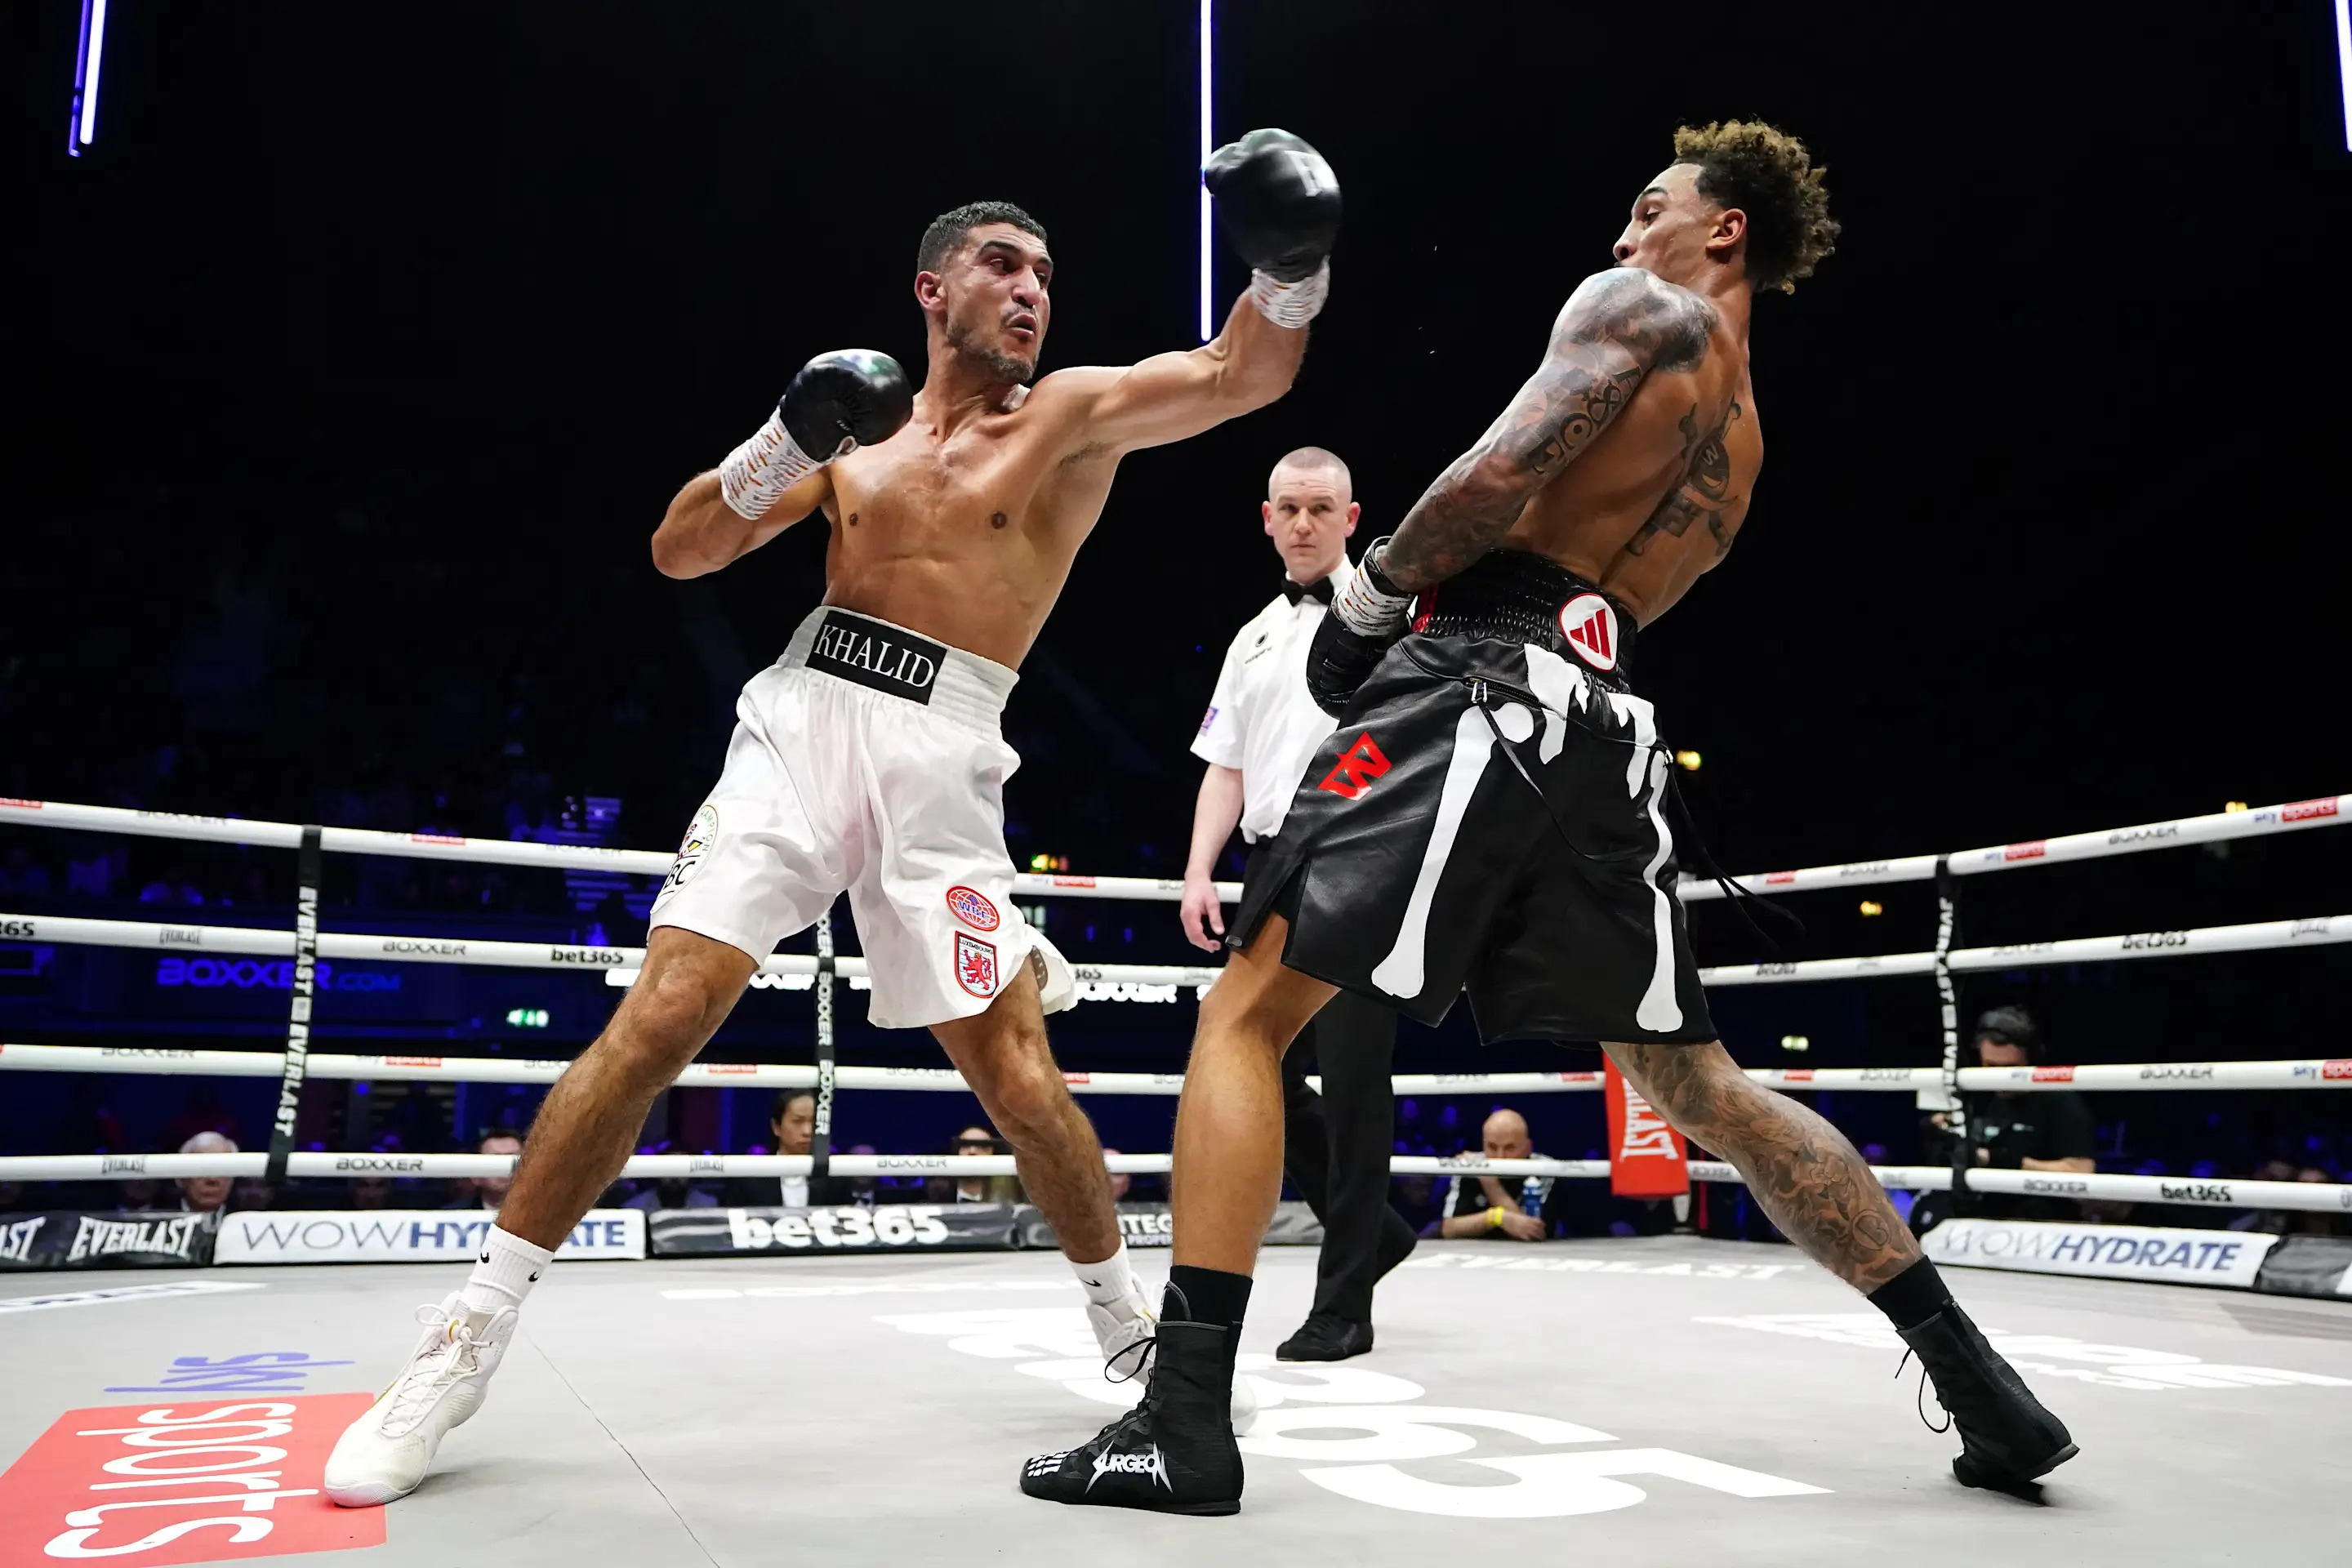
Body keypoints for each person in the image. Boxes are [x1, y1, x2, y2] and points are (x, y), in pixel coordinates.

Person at [1025, 120, 2074, 1517]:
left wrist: (1370, 599)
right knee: (1700, 1085)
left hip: (1479, 678)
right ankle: (1985, 1389)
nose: (1626, 234)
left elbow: (1498, 472)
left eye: (1652, 208)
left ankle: (1182, 1421)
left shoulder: (1636, 307)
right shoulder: (1747, 438)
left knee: (1246, 1015)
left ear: (1725, 230)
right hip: (1607, 721)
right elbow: (1624, 588)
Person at [327, 127, 1339, 1508]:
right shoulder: (853, 433)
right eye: (1002, 265)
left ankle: (1128, 1329)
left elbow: (1240, 374)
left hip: (947, 760)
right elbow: (684, 548)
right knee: (663, 1013)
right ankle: (463, 1341)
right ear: (932, 289)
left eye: (1045, 275)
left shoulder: (1068, 417)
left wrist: (1291, 263)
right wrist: (786, 436)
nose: (1031, 291)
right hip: (800, 727)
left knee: (1018, 1079)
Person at [1181, 445, 1417, 1361]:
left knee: (1355, 1076)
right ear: (1268, 518)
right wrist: (1199, 870)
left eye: (1322, 508)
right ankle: (1374, 1233)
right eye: (1291, 507)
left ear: (1352, 519)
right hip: (1272, 860)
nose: (1305, 522)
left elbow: (1419, 744)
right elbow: (1226, 765)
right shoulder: (1253, 635)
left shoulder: (1396, 620)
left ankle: (1344, 1305)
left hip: (1364, 854)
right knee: (1249, 1054)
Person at [1915, 1005, 2096, 1227]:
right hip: (1974, 1219)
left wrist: (2005, 1161)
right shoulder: (1975, 1091)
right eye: (1990, 1066)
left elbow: (2081, 1172)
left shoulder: (2058, 1100)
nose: (2000, 1078)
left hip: (2038, 1222)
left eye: (2010, 1068)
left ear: (2032, 1059)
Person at [719, 1090, 859, 1208]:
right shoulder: (748, 1179)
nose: (807, 1131)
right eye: (798, 1121)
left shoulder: (836, 1179)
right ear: (776, 1127)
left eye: (814, 1122)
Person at [1436, 1109, 1554, 1241]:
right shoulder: (1471, 1165)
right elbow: (1448, 1229)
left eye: (1510, 1148)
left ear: (1527, 1148)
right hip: (1474, 1250)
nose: (1500, 1157)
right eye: (1492, 1147)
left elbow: (1533, 1232)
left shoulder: (1546, 1169)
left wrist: (1490, 1184)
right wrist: (1495, 1217)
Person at [441, 1133, 524, 1210]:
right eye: (494, 1160)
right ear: (475, 1177)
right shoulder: (451, 1215)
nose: (503, 1168)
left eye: (512, 1159)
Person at [176, 1131, 236, 1214]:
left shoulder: (246, 1219)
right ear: (181, 1179)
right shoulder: (159, 1217)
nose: (212, 1179)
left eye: (221, 1169)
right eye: (202, 1169)